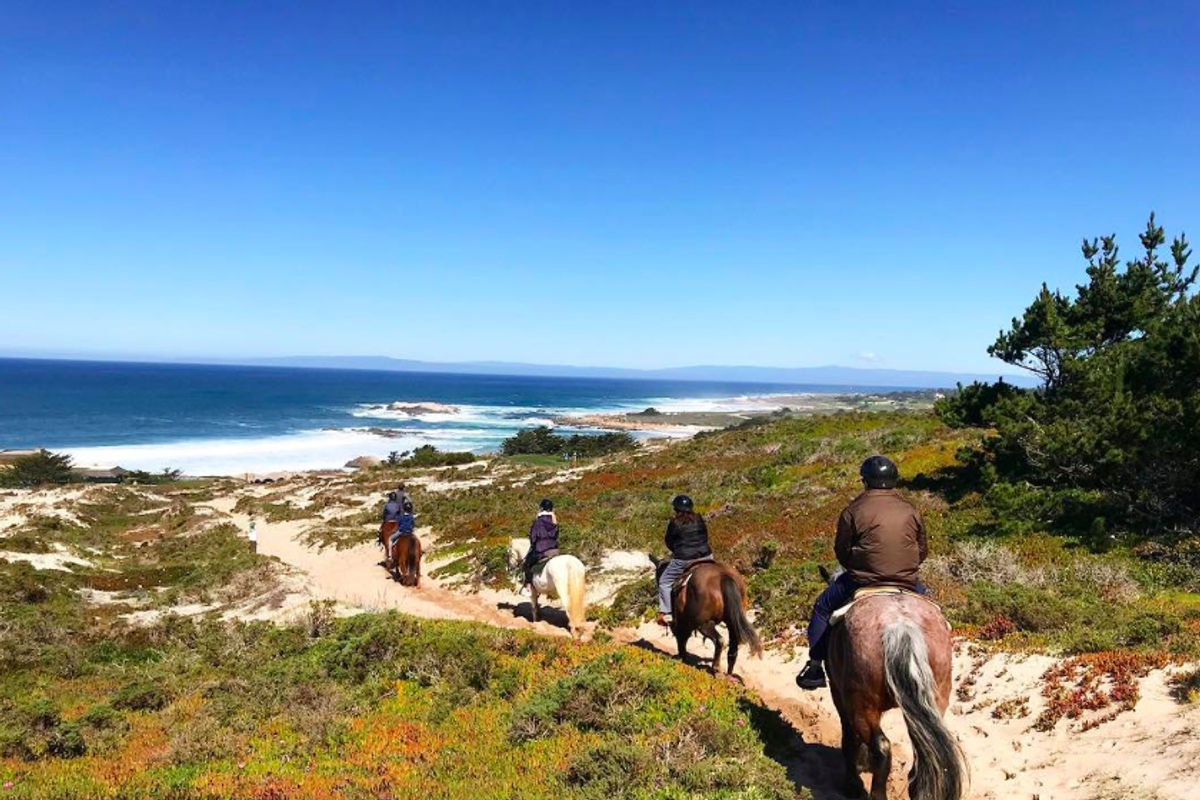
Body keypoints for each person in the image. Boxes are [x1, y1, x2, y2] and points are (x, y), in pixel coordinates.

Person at [795, 455, 929, 690]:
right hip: (907, 580)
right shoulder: (911, 510)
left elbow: (842, 551)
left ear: (865, 481)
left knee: (822, 607)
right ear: (894, 480)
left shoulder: (853, 510)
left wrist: (857, 566)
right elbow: (922, 550)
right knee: (931, 609)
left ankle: (815, 665)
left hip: (862, 580)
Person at [656, 494, 713, 627]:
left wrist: (676, 550)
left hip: (684, 559)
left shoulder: (674, 522)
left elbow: (669, 541)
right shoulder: (699, 519)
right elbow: (705, 536)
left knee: (664, 582)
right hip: (706, 555)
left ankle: (667, 612)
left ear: (676, 509)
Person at [523, 499, 561, 591]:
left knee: (527, 564)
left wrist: (533, 543)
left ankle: (528, 585)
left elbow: (533, 536)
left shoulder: (538, 521)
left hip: (541, 548)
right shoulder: (554, 520)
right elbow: (556, 535)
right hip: (554, 548)